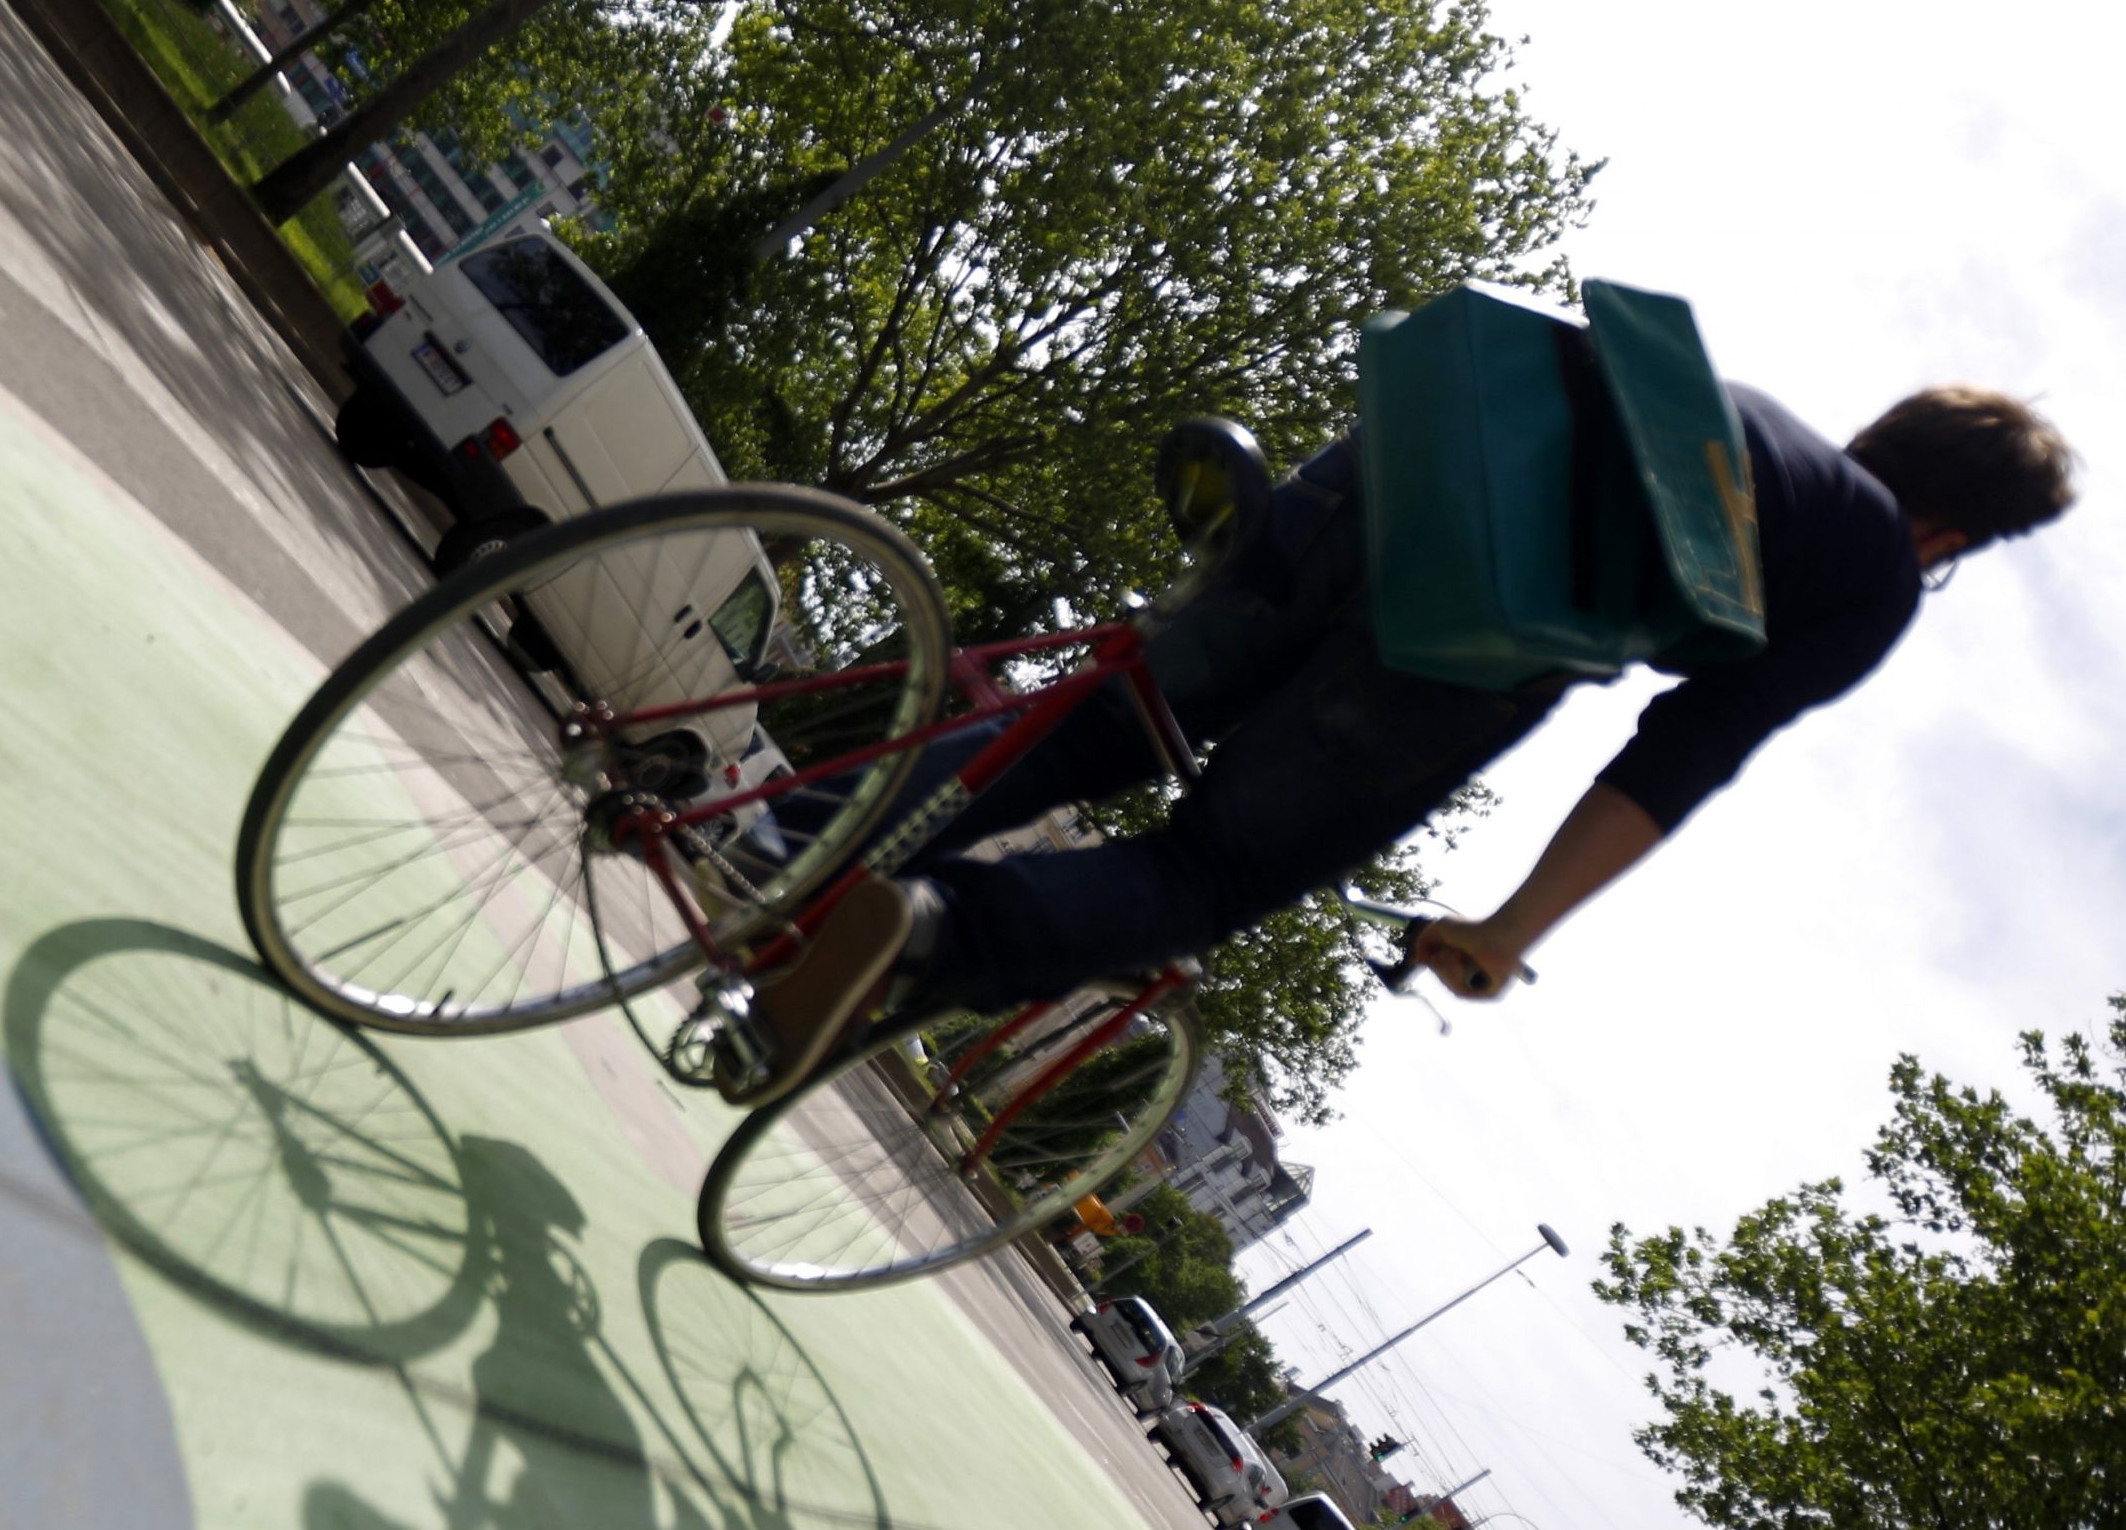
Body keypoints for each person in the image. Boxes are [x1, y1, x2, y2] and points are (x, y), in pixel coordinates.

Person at [734, 381, 2080, 1101]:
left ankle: (770, 844)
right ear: (1950, 537)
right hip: (1470, 629)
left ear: (1880, 436)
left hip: (1378, 476)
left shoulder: (1735, 422)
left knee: (1099, 723)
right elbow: (1677, 756)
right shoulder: (1875, 576)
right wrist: (1506, 929)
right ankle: (921, 935)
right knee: (1208, 871)